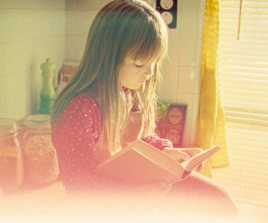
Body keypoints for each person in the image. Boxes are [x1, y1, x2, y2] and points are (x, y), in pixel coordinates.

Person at [51, 0, 237, 219]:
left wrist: (166, 152)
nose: (149, 73)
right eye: (140, 64)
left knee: (220, 200)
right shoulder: (80, 109)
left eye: (154, 63)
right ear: (106, 57)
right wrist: (135, 197)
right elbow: (79, 183)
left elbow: (138, 140)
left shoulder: (130, 91)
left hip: (136, 187)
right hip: (100, 204)